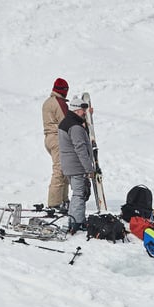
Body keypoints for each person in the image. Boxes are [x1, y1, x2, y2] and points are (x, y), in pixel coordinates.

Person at [58, 97, 95, 233]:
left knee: (77, 193)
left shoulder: (66, 122)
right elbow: (81, 149)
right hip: (76, 166)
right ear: (77, 110)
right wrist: (89, 168)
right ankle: (77, 222)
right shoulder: (75, 127)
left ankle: (74, 219)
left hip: (69, 165)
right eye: (83, 110)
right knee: (80, 194)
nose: (84, 112)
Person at [42, 77, 70, 211]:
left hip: (49, 138)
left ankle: (63, 200)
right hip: (58, 138)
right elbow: (66, 121)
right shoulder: (59, 103)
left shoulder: (47, 102)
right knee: (59, 170)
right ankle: (54, 204)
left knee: (63, 169)